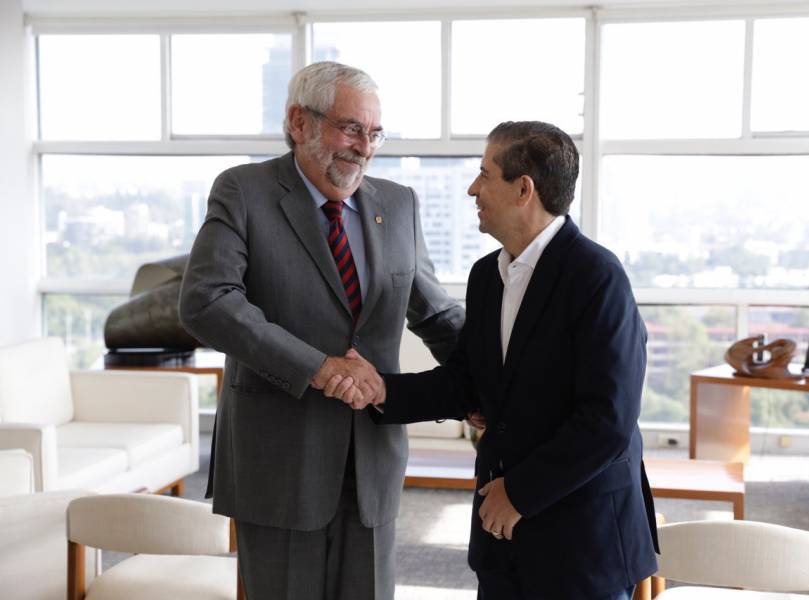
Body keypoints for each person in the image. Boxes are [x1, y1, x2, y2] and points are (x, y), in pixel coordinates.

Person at [326, 121, 659, 600]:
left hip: (582, 542)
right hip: (502, 541)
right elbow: (467, 381)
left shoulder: (597, 276)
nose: (472, 188)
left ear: (524, 189)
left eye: (485, 175)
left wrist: (519, 493)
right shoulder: (487, 276)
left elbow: (607, 420)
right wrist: (382, 389)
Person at [178, 61, 465, 600]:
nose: (364, 147)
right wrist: (317, 368)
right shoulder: (244, 191)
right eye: (350, 128)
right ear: (298, 122)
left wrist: (495, 381)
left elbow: (435, 314)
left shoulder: (399, 204)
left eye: (374, 133)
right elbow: (206, 301)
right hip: (279, 458)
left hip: (373, 457)